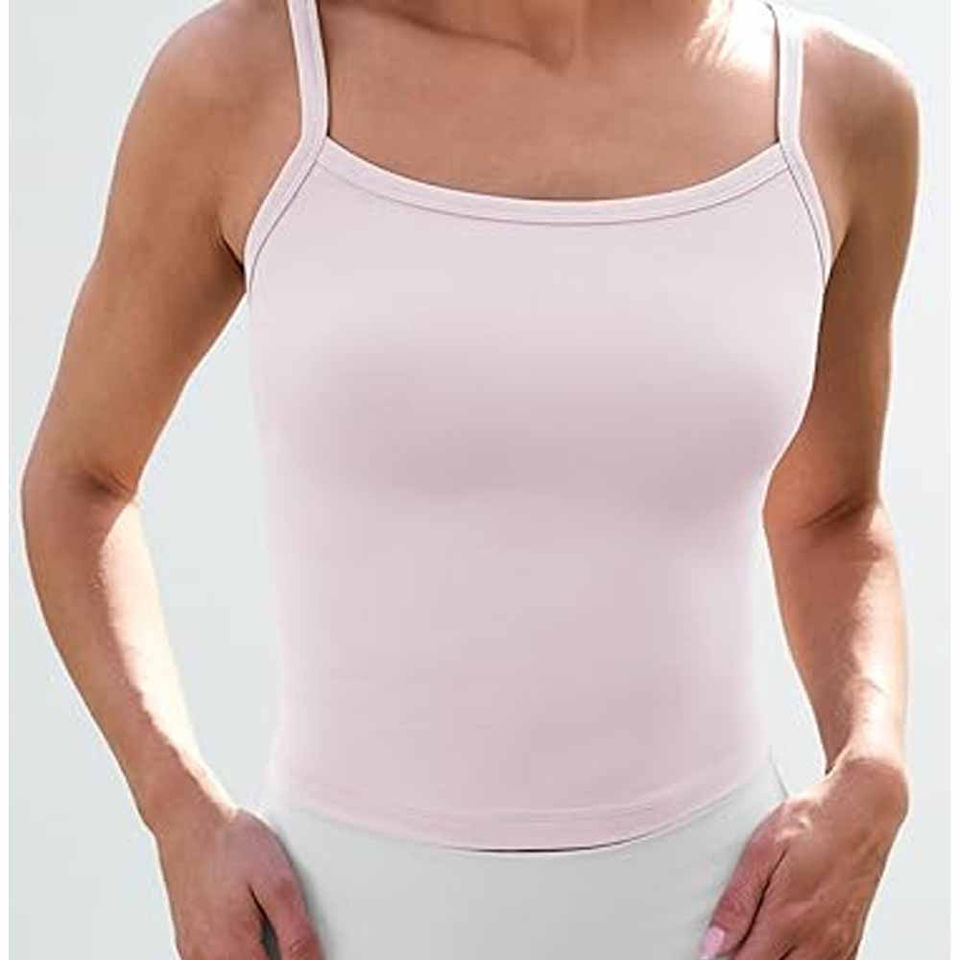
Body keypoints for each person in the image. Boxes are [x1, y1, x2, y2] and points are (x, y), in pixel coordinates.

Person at [20, 0, 919, 957]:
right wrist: (176, 808)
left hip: (729, 920)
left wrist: (873, 758)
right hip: (340, 919)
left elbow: (833, 510)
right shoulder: (251, 79)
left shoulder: (834, 106)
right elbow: (81, 479)